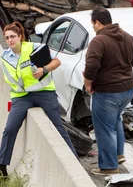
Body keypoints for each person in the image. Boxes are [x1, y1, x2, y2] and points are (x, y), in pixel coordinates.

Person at [0, 22, 77, 176]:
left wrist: (44, 69)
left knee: (58, 128)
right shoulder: (4, 57)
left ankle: (74, 162)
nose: (10, 40)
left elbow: (56, 62)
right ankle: (2, 166)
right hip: (22, 97)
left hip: (44, 93)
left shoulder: (34, 47)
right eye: (7, 37)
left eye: (13, 36)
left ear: (20, 37)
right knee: (10, 129)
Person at [84, 7, 133, 176]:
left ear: (98, 23)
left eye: (93, 23)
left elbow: (92, 65)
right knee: (115, 119)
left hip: (107, 91)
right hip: (127, 89)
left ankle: (108, 166)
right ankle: (118, 154)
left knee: (104, 128)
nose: (93, 27)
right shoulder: (127, 36)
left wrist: (88, 83)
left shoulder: (98, 41)